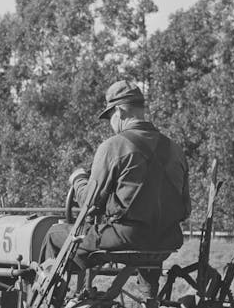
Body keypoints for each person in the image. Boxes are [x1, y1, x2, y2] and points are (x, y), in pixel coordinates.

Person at [41, 79, 191, 274]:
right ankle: (150, 299)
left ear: (119, 111)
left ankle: (48, 301)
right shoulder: (175, 150)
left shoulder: (113, 147)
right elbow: (185, 209)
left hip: (126, 239)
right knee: (149, 233)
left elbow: (89, 204)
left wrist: (78, 179)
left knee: (55, 234)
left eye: (109, 116)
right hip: (167, 240)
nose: (110, 123)